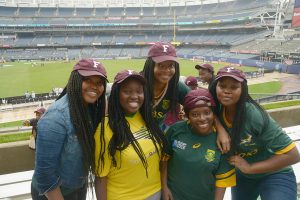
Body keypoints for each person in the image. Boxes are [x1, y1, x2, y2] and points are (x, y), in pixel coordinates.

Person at [209, 66, 300, 200]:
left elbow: (293, 155)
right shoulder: (216, 108)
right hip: (243, 177)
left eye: (234, 87)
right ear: (215, 87)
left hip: (274, 173)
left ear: (243, 90)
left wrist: (250, 167)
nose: (227, 91)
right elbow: (202, 108)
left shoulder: (254, 116)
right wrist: (220, 129)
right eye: (222, 86)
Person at [31, 58, 107, 200]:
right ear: (75, 81)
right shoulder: (55, 118)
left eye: (99, 83)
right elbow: (44, 176)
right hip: (54, 193)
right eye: (88, 80)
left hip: (77, 185)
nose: (94, 87)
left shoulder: (90, 107)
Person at [94, 70, 167, 200]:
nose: (134, 96)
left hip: (156, 192)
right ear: (116, 94)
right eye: (127, 91)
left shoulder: (147, 118)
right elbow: (101, 176)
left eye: (139, 91)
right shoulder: (105, 128)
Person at [161, 89, 236, 200]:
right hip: (172, 196)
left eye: (207, 112)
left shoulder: (223, 142)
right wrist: (164, 188)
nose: (202, 119)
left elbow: (222, 181)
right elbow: (164, 160)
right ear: (187, 116)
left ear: (213, 114)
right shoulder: (175, 130)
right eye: (195, 114)